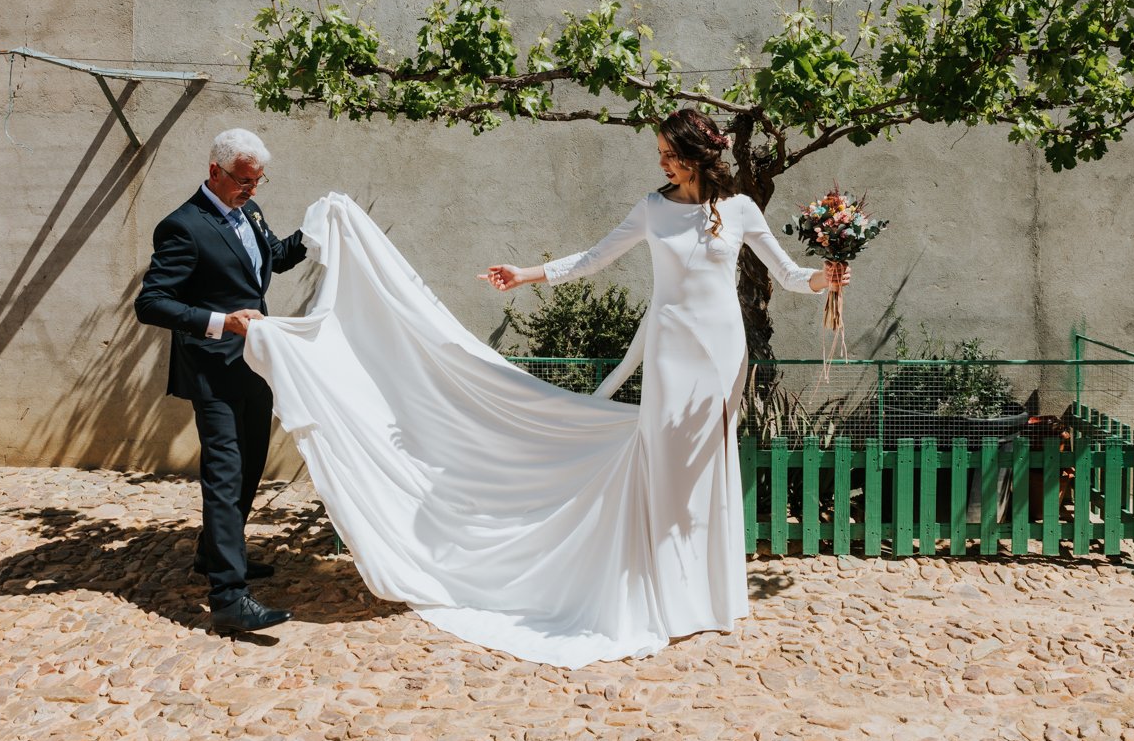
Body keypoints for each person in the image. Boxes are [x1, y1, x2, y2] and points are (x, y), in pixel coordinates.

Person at [240, 109, 845, 665]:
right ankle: (664, 595)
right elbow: (592, 258)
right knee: (663, 465)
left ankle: (709, 597)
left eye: (668, 152)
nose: (661, 161)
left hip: (721, 353)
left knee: (706, 463)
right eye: (659, 151)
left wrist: (829, 275)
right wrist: (525, 273)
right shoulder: (652, 208)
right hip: (670, 352)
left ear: (694, 153)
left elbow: (791, 275)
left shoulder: (739, 210)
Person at [135, 128, 308, 633]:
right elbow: (151, 304)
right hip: (212, 368)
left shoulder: (249, 211)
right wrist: (220, 322)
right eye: (244, 180)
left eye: (257, 181)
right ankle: (229, 598)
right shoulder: (182, 227)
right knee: (226, 474)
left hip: (254, 363)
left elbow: (272, 257)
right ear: (215, 171)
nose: (252, 190)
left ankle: (214, 554)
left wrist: (319, 233)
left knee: (251, 464)